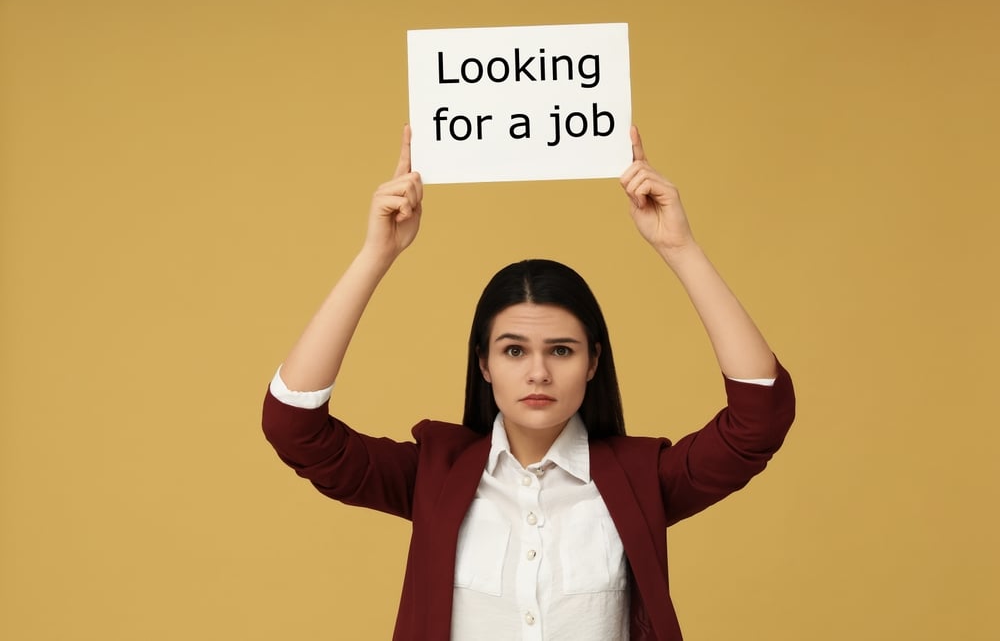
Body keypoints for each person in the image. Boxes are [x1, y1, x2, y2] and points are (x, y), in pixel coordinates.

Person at [262, 125, 795, 641]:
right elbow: (294, 428)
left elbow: (758, 421)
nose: (538, 372)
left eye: (561, 350)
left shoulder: (639, 481)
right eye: (514, 350)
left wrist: (680, 247)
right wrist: (376, 255)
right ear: (484, 364)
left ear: (592, 362)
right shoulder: (433, 477)